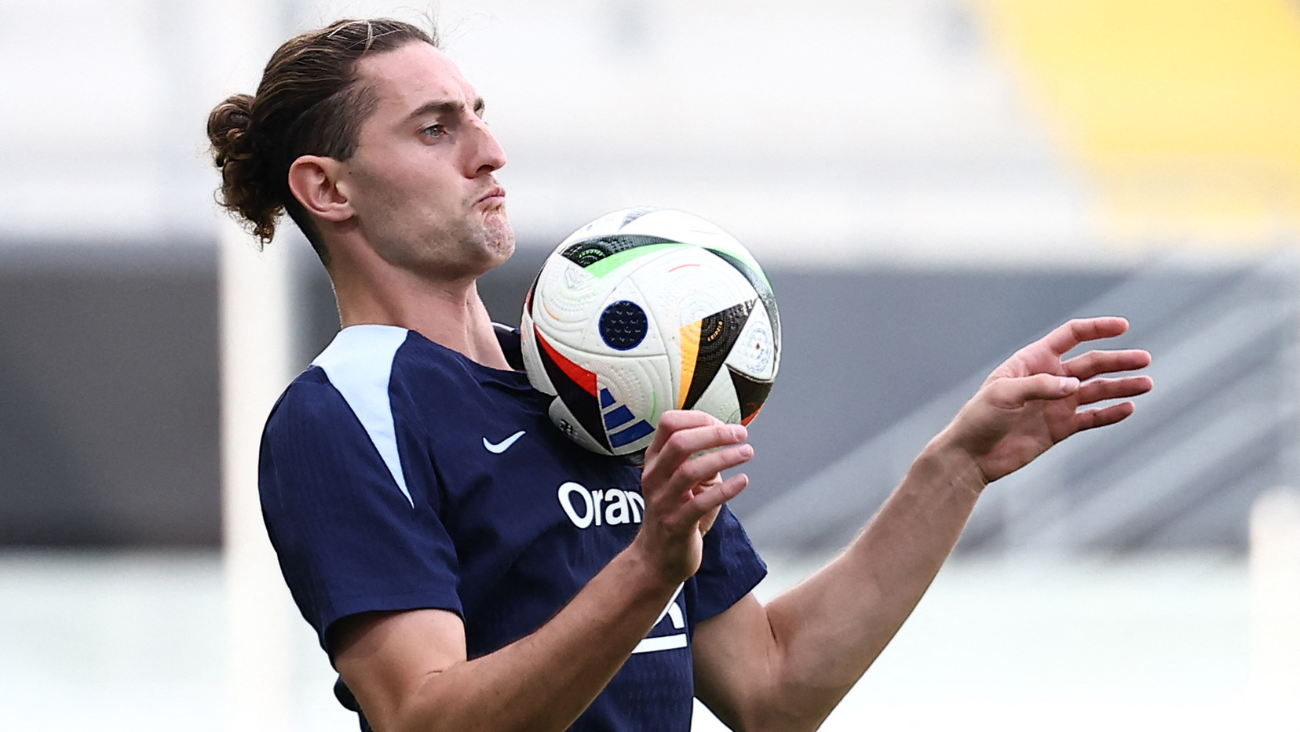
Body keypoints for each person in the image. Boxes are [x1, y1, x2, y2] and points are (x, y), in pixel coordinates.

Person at [207, 18, 1153, 732]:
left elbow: (773, 686)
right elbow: (424, 716)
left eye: (481, 117)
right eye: (434, 128)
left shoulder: (596, 376)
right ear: (328, 188)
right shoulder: (344, 415)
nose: (489, 152)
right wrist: (649, 565)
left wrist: (956, 467)